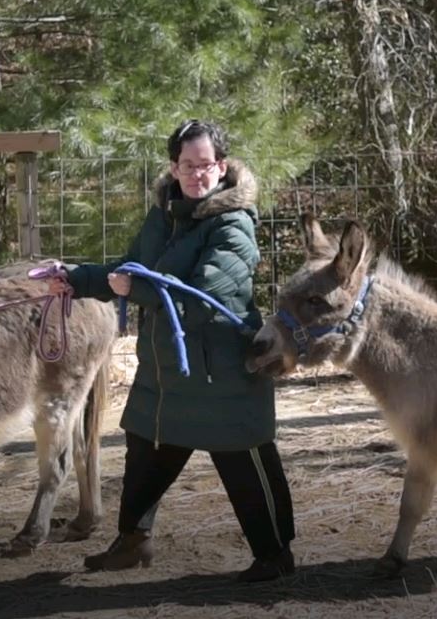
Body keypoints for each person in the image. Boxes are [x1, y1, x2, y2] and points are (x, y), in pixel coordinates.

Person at [47, 119, 296, 582]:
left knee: (245, 458)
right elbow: (130, 269)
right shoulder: (161, 216)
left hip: (222, 371)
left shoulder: (234, 225)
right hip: (166, 370)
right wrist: (77, 278)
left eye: (206, 164)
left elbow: (204, 296)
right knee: (146, 445)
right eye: (188, 164)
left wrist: (134, 288)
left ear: (221, 167)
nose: (197, 173)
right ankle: (133, 541)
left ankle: (276, 556)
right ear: (174, 167)